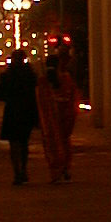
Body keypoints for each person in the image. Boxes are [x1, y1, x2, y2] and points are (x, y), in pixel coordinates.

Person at [0, 48, 40, 185]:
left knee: (14, 143)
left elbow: (1, 95)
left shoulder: (7, 75)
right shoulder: (30, 75)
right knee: (23, 143)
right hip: (26, 111)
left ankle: (17, 171)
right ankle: (23, 169)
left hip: (12, 111)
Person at [37, 47, 78, 183]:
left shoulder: (43, 82)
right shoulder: (66, 79)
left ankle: (55, 170)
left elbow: (40, 101)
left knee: (52, 143)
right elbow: (73, 96)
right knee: (65, 142)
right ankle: (65, 167)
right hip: (64, 116)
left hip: (50, 119)